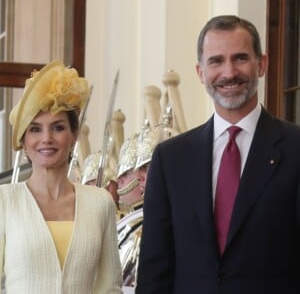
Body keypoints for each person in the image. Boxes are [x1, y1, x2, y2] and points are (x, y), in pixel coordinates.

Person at [136, 15, 300, 294]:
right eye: (216, 61)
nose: (229, 72)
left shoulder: (295, 149)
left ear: (262, 64)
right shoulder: (170, 159)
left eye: (240, 58)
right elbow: (155, 268)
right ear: (200, 72)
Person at [0, 60, 122, 293]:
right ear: (24, 142)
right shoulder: (4, 201)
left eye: (58, 127)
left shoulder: (100, 202)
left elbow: (110, 288)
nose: (47, 138)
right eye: (35, 129)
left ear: (74, 135)